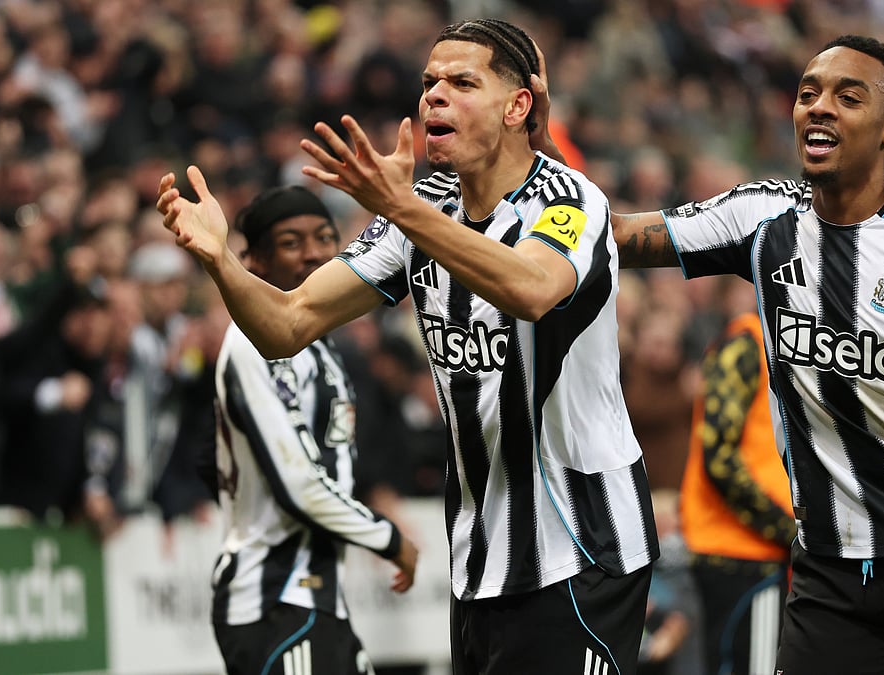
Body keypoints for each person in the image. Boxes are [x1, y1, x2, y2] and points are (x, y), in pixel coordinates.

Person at [157, 19, 658, 675]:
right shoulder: (423, 208)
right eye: (429, 83)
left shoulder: (568, 199)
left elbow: (533, 288)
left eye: (462, 83)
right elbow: (287, 323)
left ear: (517, 107)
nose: (434, 96)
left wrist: (402, 210)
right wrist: (220, 261)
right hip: (480, 563)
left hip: (583, 549)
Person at [560, 34, 884, 672]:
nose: (819, 107)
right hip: (832, 581)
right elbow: (614, 238)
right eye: (808, 94)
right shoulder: (762, 218)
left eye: (848, 98)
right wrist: (540, 157)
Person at [204, 184, 419, 675]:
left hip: (317, 597)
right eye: (291, 242)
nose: (315, 253)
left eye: (324, 237)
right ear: (254, 261)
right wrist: (388, 539)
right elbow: (296, 482)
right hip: (274, 599)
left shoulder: (321, 347)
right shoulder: (251, 343)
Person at [680, 278, 795, 675]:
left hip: (751, 551)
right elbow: (719, 457)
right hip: (744, 553)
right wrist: (788, 531)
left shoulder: (773, 347)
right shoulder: (746, 345)